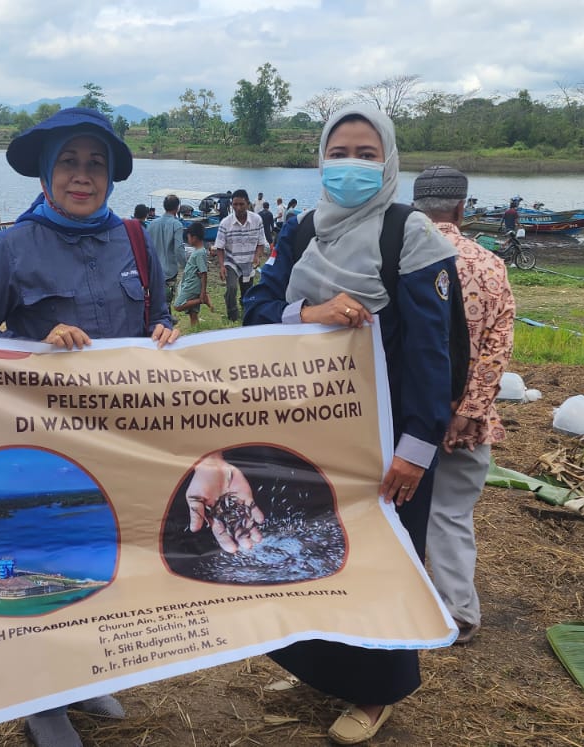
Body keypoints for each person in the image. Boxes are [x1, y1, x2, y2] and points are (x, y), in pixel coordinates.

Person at [0, 106, 176, 746]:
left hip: (120, 440)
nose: (83, 176)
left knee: (102, 555)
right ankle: (38, 700)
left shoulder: (133, 238)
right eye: (70, 163)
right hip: (39, 445)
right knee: (40, 556)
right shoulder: (15, 244)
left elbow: (158, 319)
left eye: (96, 164)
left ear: (111, 177)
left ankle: (83, 674)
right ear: (48, 174)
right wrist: (36, 345)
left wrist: (164, 332)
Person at [241, 105, 460, 746]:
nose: (352, 166)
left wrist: (417, 449)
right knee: (313, 548)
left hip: (391, 437)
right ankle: (323, 670)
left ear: (388, 160)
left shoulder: (410, 234)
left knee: (381, 559)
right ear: (320, 156)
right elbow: (257, 305)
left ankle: (376, 691)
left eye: (368, 154)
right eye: (340, 152)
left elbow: (432, 353)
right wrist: (309, 312)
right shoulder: (304, 228)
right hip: (313, 433)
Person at [412, 165, 516, 646]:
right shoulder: (490, 265)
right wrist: (470, 411)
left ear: (415, 208)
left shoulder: (399, 260)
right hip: (465, 424)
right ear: (461, 207)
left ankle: (395, 604)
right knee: (451, 514)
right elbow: (498, 348)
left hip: (403, 416)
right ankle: (458, 613)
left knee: (388, 510)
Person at [213, 189, 267, 322]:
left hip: (249, 261)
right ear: (231, 205)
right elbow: (219, 247)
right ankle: (232, 315)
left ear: (248, 204)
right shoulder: (225, 223)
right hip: (232, 261)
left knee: (247, 291)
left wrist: (257, 256)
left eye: (241, 204)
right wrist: (221, 266)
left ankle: (246, 310)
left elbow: (261, 242)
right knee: (231, 287)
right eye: (235, 204)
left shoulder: (257, 220)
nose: (238, 207)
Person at [172, 220, 210, 326]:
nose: (187, 239)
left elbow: (204, 273)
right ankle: (195, 328)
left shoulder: (199, 253)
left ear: (194, 237)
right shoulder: (197, 251)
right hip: (189, 282)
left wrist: (203, 292)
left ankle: (203, 300)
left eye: (188, 237)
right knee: (192, 312)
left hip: (192, 285)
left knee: (178, 305)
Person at [148, 193, 185, 296]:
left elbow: (147, 248)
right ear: (177, 208)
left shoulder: (152, 224)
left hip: (153, 270)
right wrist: (186, 266)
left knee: (154, 301)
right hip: (169, 271)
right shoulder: (176, 224)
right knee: (166, 302)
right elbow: (179, 249)